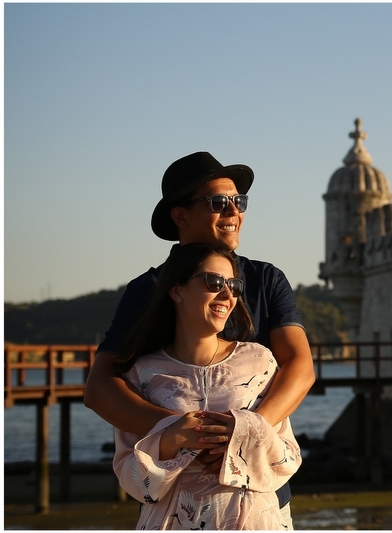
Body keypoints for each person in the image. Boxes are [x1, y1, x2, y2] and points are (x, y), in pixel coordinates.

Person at [85, 152, 315, 523]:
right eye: (219, 203)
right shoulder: (147, 290)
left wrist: (240, 434)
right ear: (181, 216)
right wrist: (182, 431)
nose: (234, 211)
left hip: (259, 500)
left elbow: (300, 366)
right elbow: (100, 388)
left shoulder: (266, 279)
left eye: (239, 201)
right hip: (174, 508)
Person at [113, 242, 301, 530]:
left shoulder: (259, 361)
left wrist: (242, 431)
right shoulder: (143, 372)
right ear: (177, 291)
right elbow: (132, 480)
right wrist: (171, 438)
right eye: (214, 282)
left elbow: (288, 458)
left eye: (234, 286)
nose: (227, 294)